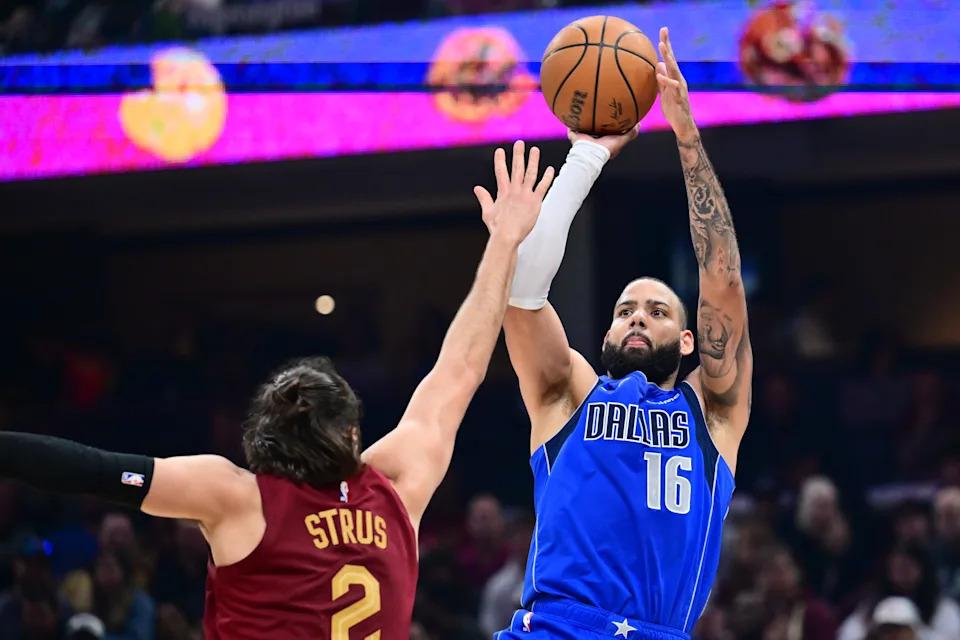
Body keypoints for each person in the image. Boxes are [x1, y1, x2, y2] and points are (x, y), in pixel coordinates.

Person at [0, 140, 556, 640]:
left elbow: (90, 468)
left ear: (265, 436)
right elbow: (461, 367)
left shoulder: (236, 497)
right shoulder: (396, 485)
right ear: (353, 432)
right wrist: (504, 241)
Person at [496, 28, 752, 639]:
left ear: (690, 342)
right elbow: (521, 291)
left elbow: (722, 278)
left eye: (658, 310)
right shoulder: (569, 397)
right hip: (553, 627)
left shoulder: (712, 416)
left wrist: (687, 137)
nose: (636, 315)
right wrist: (586, 157)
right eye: (624, 309)